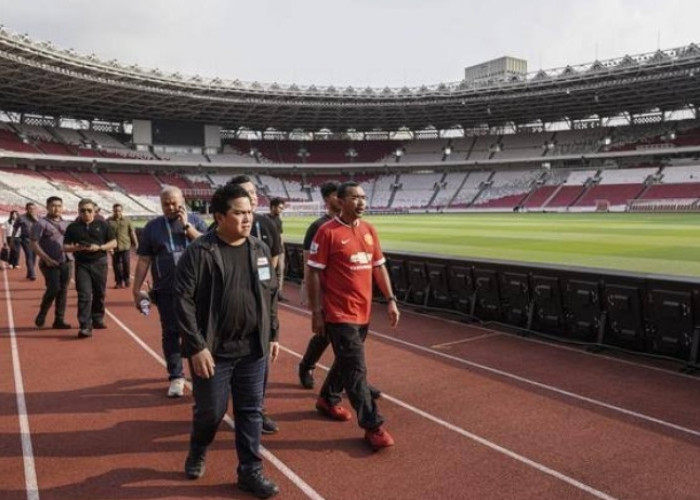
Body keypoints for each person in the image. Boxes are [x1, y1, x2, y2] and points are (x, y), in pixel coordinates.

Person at [175, 183, 280, 498]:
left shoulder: (259, 250)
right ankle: (198, 447)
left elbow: (270, 295)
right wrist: (196, 346)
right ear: (219, 216)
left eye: (249, 212)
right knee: (211, 411)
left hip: (253, 348)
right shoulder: (200, 252)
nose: (247, 219)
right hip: (213, 352)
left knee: (251, 410)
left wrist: (272, 333)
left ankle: (250, 471)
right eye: (239, 213)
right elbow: (183, 301)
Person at [307, 181, 400, 449]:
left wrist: (391, 300)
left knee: (345, 362)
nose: (361, 202)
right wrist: (316, 312)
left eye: (363, 197)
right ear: (340, 200)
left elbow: (379, 268)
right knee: (357, 369)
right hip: (338, 313)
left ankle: (327, 398)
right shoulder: (327, 232)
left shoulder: (370, 230)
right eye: (355, 198)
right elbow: (313, 272)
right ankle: (373, 425)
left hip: (364, 311)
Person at [132, 186, 207, 398]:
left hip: (197, 289)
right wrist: (136, 289)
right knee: (171, 333)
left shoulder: (197, 221)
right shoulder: (152, 227)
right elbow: (144, 259)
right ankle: (176, 376)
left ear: (183, 202)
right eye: (166, 203)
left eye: (174, 203)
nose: (171, 207)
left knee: (200, 331)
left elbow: (209, 246)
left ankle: (200, 372)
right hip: (167, 289)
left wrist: (187, 227)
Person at [226, 175, 282, 434]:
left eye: (254, 192)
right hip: (229, 314)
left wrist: (271, 289)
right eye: (247, 193)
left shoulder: (267, 225)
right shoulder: (222, 232)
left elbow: (275, 259)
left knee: (260, 368)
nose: (254, 196)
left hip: (259, 310)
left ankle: (257, 411)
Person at [63, 199, 117, 338]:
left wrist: (99, 247)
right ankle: (85, 326)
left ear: (94, 211)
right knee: (84, 295)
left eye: (89, 210)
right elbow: (65, 247)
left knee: (99, 293)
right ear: (78, 211)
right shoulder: (73, 227)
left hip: (100, 262)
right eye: (82, 210)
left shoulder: (103, 225)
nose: (86, 213)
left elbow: (114, 242)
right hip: (82, 264)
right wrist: (78, 247)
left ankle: (97, 318)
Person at [30, 196, 73, 329]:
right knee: (54, 288)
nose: (57, 208)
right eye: (53, 205)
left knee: (63, 290)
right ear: (47, 207)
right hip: (49, 263)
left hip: (67, 261)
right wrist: (46, 259)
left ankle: (59, 319)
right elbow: (34, 243)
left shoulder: (67, 224)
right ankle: (42, 313)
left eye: (59, 206)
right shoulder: (40, 224)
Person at [107, 203, 138, 288]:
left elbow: (132, 232)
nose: (117, 212)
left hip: (125, 246)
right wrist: (108, 247)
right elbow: (106, 234)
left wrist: (136, 244)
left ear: (122, 211)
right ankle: (118, 282)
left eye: (119, 211)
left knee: (126, 264)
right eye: (116, 211)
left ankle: (127, 279)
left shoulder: (127, 220)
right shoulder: (109, 221)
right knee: (116, 266)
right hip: (114, 246)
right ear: (113, 211)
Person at [13, 202, 39, 280]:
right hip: (25, 239)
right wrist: (12, 239)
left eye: (33, 209)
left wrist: (35, 219)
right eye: (30, 208)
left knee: (34, 257)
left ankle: (29, 272)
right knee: (29, 256)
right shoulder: (21, 218)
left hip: (36, 240)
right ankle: (32, 274)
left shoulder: (38, 217)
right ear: (26, 209)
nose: (32, 210)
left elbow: (42, 227)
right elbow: (15, 228)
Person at [266, 197, 286, 300]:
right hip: (269, 250)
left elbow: (281, 234)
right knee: (269, 271)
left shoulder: (279, 219)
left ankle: (279, 293)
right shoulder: (266, 219)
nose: (281, 210)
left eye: (282, 208)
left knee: (280, 272)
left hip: (279, 250)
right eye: (279, 208)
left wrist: (281, 247)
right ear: (273, 207)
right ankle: (267, 291)